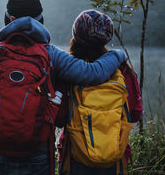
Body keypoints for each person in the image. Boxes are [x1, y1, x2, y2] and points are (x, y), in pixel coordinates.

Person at [0, 0, 127, 175]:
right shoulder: (52, 55)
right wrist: (117, 54)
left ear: (9, 19)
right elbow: (93, 73)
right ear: (40, 21)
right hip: (38, 153)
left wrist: (2, 130)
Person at [58, 9, 143, 175]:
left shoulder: (69, 71)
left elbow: (59, 118)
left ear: (76, 36)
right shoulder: (123, 71)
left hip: (75, 157)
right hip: (115, 158)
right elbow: (135, 114)